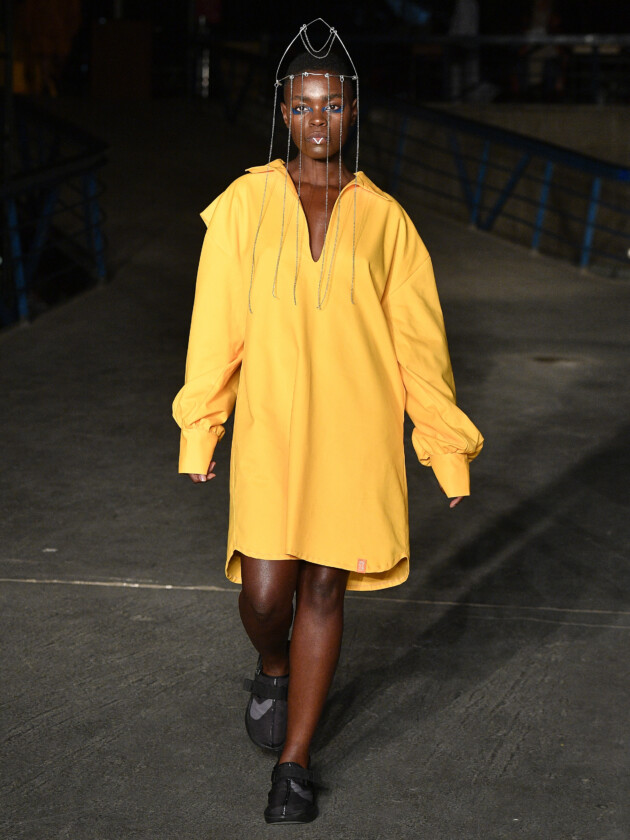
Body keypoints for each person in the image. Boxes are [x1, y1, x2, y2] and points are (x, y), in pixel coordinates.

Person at [172, 19, 483, 825]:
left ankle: (295, 764)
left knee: (322, 588)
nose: (319, 121)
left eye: (333, 106)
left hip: (356, 432)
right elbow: (216, 329)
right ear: (284, 109)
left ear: (353, 110)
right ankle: (272, 666)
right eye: (305, 106)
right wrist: (202, 426)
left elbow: (420, 348)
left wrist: (443, 450)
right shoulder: (244, 204)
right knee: (267, 593)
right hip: (274, 427)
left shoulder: (387, 221)